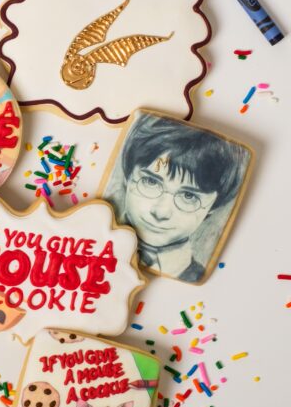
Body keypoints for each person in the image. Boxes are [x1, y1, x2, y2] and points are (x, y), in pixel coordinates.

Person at [106, 113, 248, 283]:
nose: (160, 212)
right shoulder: (85, 236)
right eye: (150, 181)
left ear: (212, 208)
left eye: (188, 196)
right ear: (127, 178)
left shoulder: (197, 276)